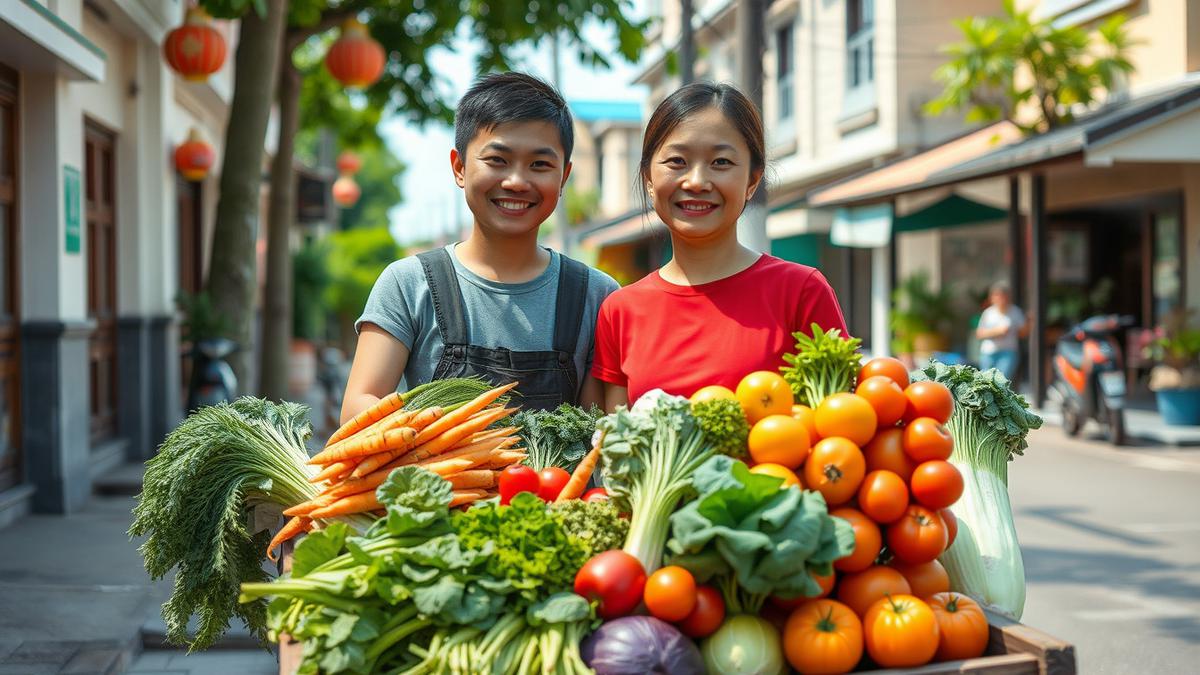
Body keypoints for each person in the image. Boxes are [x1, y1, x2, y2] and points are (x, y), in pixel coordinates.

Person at [340, 72, 619, 421]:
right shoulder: (408, 283)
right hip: (434, 475)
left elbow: (602, 430)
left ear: (563, 177)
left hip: (559, 479)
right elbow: (358, 406)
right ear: (459, 167)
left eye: (540, 165)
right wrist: (445, 438)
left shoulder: (599, 295)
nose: (516, 181)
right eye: (497, 160)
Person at [592, 82, 848, 410]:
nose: (697, 181)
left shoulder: (801, 292)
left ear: (753, 181)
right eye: (677, 161)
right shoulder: (620, 311)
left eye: (721, 163)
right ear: (648, 178)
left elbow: (843, 426)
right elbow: (615, 446)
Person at [975, 281, 1027, 381]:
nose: (1001, 299)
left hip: (1008, 352)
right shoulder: (988, 313)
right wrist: (997, 332)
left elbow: (1022, 334)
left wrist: (1029, 324)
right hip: (989, 353)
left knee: (1001, 381)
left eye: (1003, 296)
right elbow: (979, 334)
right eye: (997, 296)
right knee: (986, 381)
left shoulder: (1015, 312)